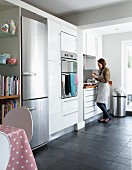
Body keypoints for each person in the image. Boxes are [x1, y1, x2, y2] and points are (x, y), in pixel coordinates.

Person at [92, 58, 111, 123]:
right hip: (101, 88)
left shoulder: (106, 70)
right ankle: (105, 117)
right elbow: (99, 79)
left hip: (104, 88)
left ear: (103, 64)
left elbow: (106, 80)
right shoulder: (100, 70)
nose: (98, 66)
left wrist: (97, 77)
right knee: (102, 103)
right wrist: (96, 77)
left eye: (99, 64)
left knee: (99, 103)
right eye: (98, 64)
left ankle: (108, 116)